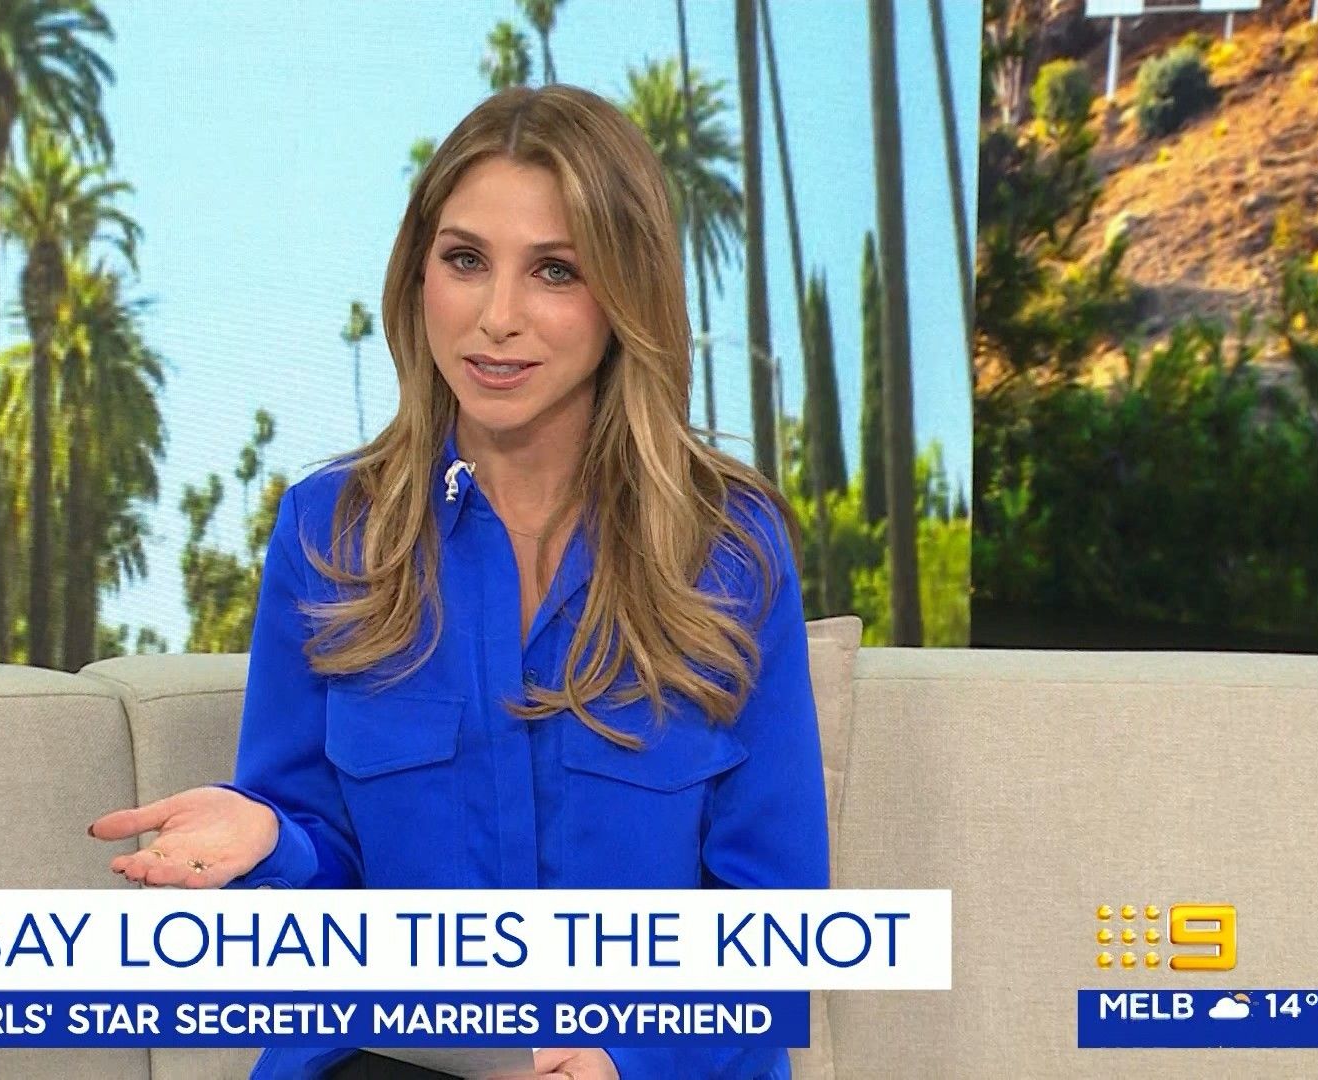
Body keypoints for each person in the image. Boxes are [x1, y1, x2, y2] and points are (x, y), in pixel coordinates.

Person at [89, 84, 829, 1080]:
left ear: (626, 297)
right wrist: (272, 842)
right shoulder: (326, 533)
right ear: (418, 276)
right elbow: (320, 891)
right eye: (465, 260)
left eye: (556, 270)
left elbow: (775, 924)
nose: (497, 318)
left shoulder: (730, 549)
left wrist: (625, 1059)